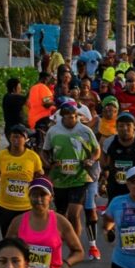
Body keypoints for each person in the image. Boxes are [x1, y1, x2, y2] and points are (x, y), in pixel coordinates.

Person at [42, 101, 99, 246]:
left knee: (74, 213)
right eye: (69, 117)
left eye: (74, 117)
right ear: (62, 117)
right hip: (60, 178)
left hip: (79, 177)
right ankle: (62, 240)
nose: (72, 120)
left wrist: (91, 160)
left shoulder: (85, 130)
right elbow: (45, 151)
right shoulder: (53, 131)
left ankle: (76, 244)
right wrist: (47, 162)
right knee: (61, 214)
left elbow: (96, 150)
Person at [0, 125, 45, 236]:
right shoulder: (2, 156)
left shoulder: (33, 157)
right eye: (13, 137)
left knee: (26, 238)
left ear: (26, 139)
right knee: (7, 238)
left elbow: (39, 176)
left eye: (19, 137)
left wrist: (40, 196)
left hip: (26, 206)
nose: (16, 140)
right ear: (9, 138)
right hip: (5, 205)